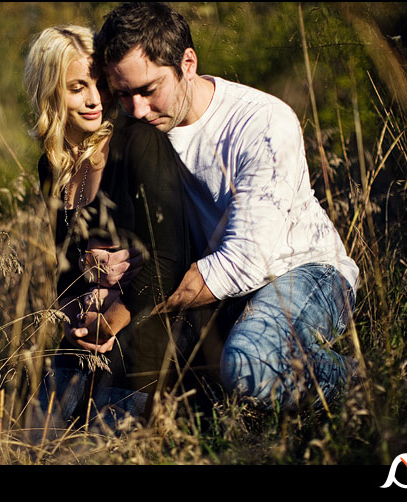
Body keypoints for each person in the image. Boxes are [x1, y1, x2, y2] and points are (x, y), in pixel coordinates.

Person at [88, 2, 360, 410]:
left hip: (302, 273)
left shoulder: (261, 123)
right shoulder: (135, 131)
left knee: (248, 364)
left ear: (188, 63)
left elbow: (247, 260)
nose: (138, 109)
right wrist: (101, 267)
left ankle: (362, 384)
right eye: (124, 94)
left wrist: (126, 308)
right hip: (214, 293)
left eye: (148, 90)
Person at [23, 24, 196, 434]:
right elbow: (64, 266)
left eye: (101, 84)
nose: (95, 99)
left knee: (97, 448)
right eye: (77, 87)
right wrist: (73, 317)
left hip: (147, 331)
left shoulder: (138, 142)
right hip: (87, 331)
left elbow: (169, 259)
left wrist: (113, 320)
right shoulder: (51, 165)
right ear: (48, 92)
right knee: (32, 438)